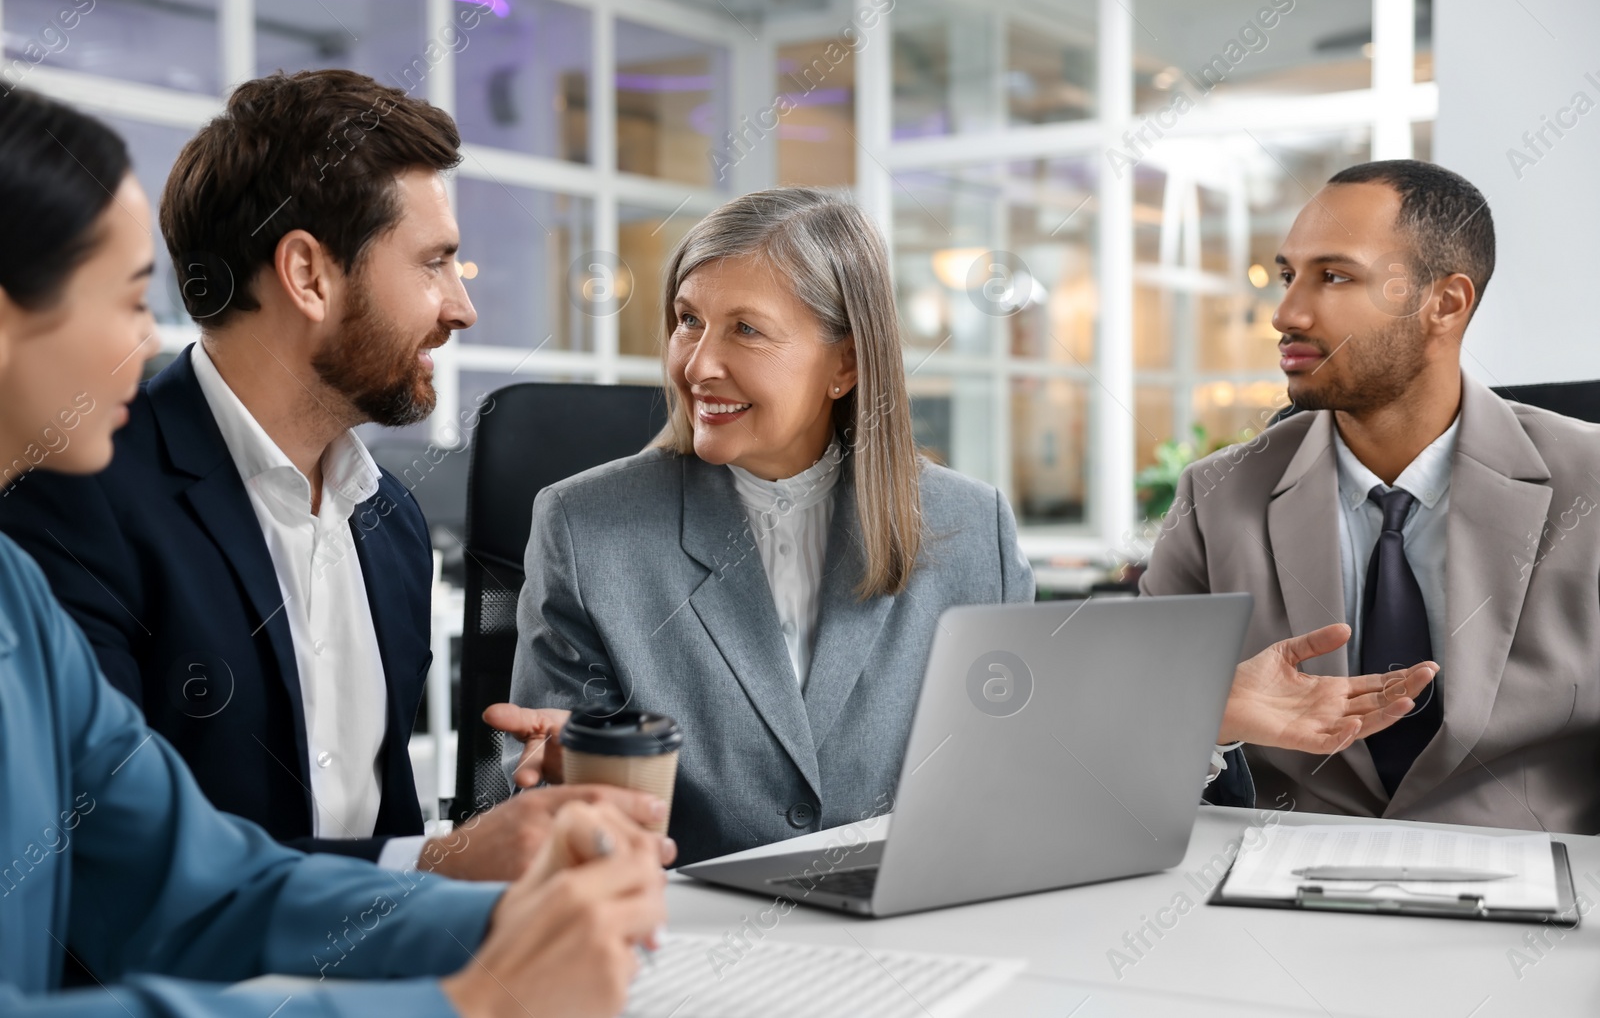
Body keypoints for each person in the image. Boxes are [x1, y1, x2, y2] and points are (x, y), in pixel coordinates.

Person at [484, 188, 1436, 865]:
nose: (697, 362)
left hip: (918, 938)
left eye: (746, 330)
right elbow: (537, 788)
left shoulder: (965, 523)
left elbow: (1030, 771)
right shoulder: (587, 524)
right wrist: (563, 782)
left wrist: (1198, 710)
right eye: (687, 320)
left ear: (846, 366)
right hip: (682, 941)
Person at [0, 87, 665, 1017]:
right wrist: (479, 990)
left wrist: (513, 915)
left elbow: (196, 880)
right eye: (435, 262)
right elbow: (104, 912)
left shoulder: (385, 524)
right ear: (310, 275)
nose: (463, 306)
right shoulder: (64, 510)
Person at [1140, 158, 1600, 831]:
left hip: (1548, 900)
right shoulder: (1216, 498)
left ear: (1445, 302)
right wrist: (1205, 709)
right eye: (1288, 274)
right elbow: (1116, 760)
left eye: (1333, 276)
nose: (1286, 312)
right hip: (1281, 898)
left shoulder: (1590, 485)